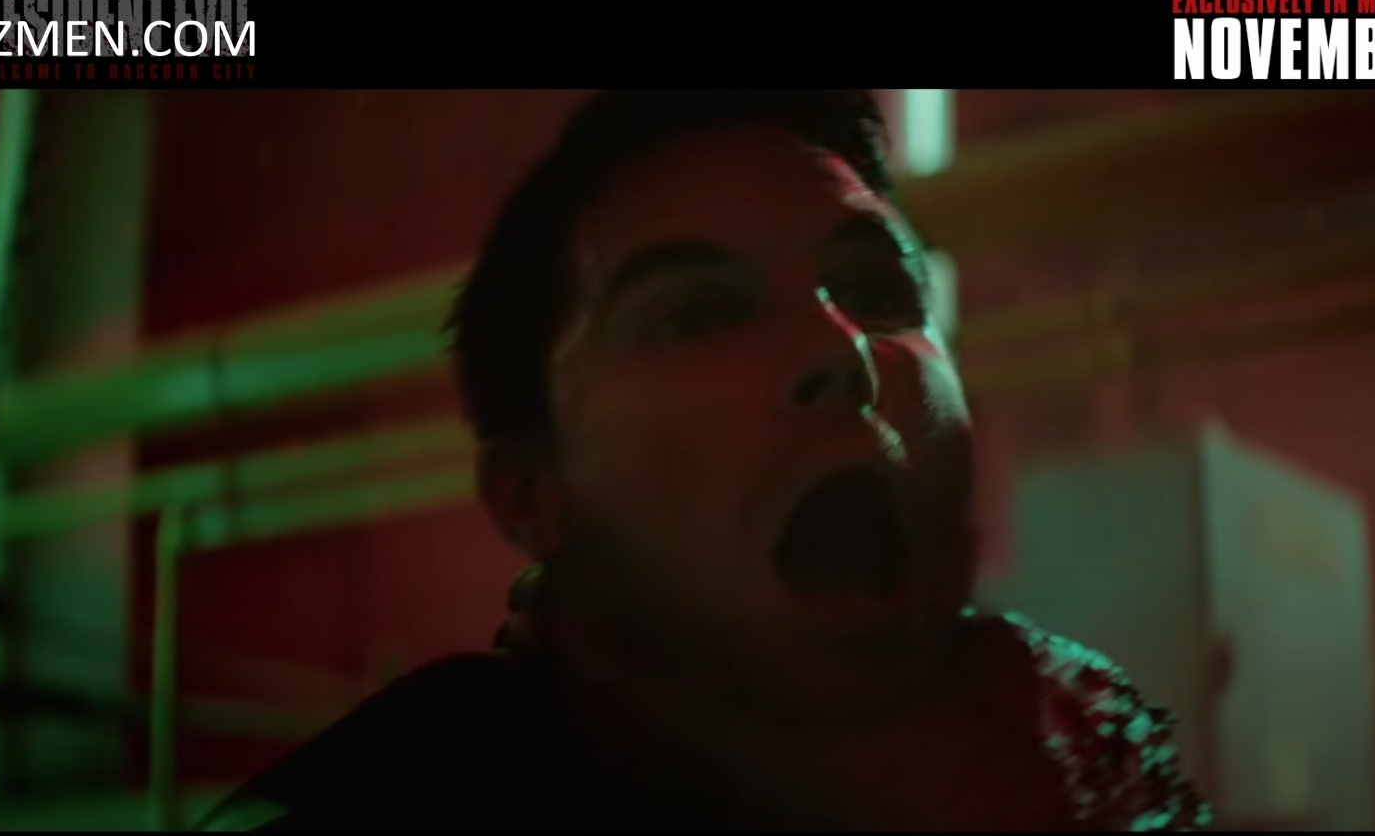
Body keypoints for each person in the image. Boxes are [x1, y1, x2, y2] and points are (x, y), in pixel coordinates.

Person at [197, 90, 1213, 830]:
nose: (839, 350)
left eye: (878, 293)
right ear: (531, 492)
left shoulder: (1077, 738)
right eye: (698, 313)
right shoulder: (401, 798)